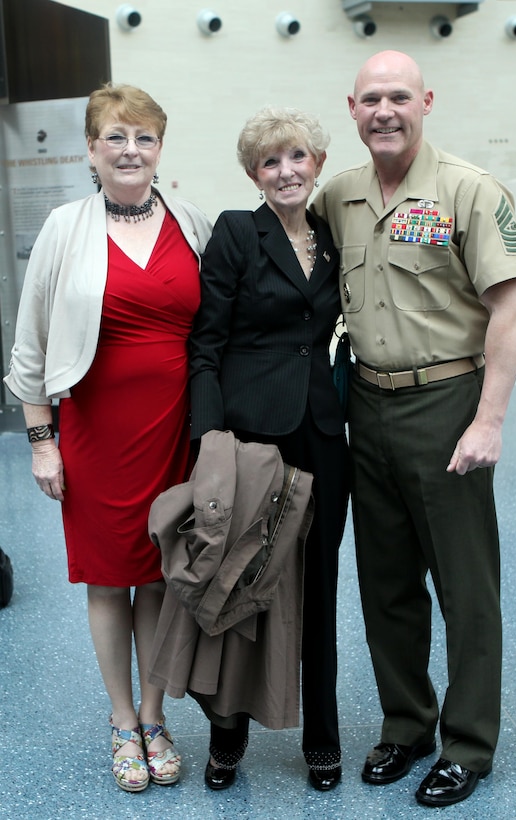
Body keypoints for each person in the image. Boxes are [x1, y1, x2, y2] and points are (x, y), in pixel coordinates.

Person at [312, 51, 516, 808]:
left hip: (446, 402)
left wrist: (489, 420)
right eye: (371, 98)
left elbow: (511, 306)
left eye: (398, 97)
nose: (385, 111)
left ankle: (466, 744)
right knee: (386, 584)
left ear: (425, 101)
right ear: (351, 108)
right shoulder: (337, 197)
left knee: (465, 587)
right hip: (365, 406)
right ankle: (405, 725)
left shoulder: (468, 190)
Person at [3, 83, 211, 792]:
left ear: (160, 148)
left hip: (176, 435)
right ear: (91, 149)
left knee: (159, 577)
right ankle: (121, 721)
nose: (130, 150)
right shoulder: (66, 227)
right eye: (116, 137)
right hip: (97, 436)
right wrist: (42, 440)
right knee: (107, 579)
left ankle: (154, 717)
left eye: (144, 137)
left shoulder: (190, 221)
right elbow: (29, 347)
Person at [150, 106, 349, 792]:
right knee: (237, 582)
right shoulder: (238, 232)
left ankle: (322, 735)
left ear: (317, 164)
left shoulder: (332, 237)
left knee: (318, 587)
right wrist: (210, 439)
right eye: (270, 161)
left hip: (321, 434)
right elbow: (204, 343)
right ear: (253, 174)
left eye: (297, 157)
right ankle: (227, 734)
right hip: (249, 437)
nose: (286, 171)